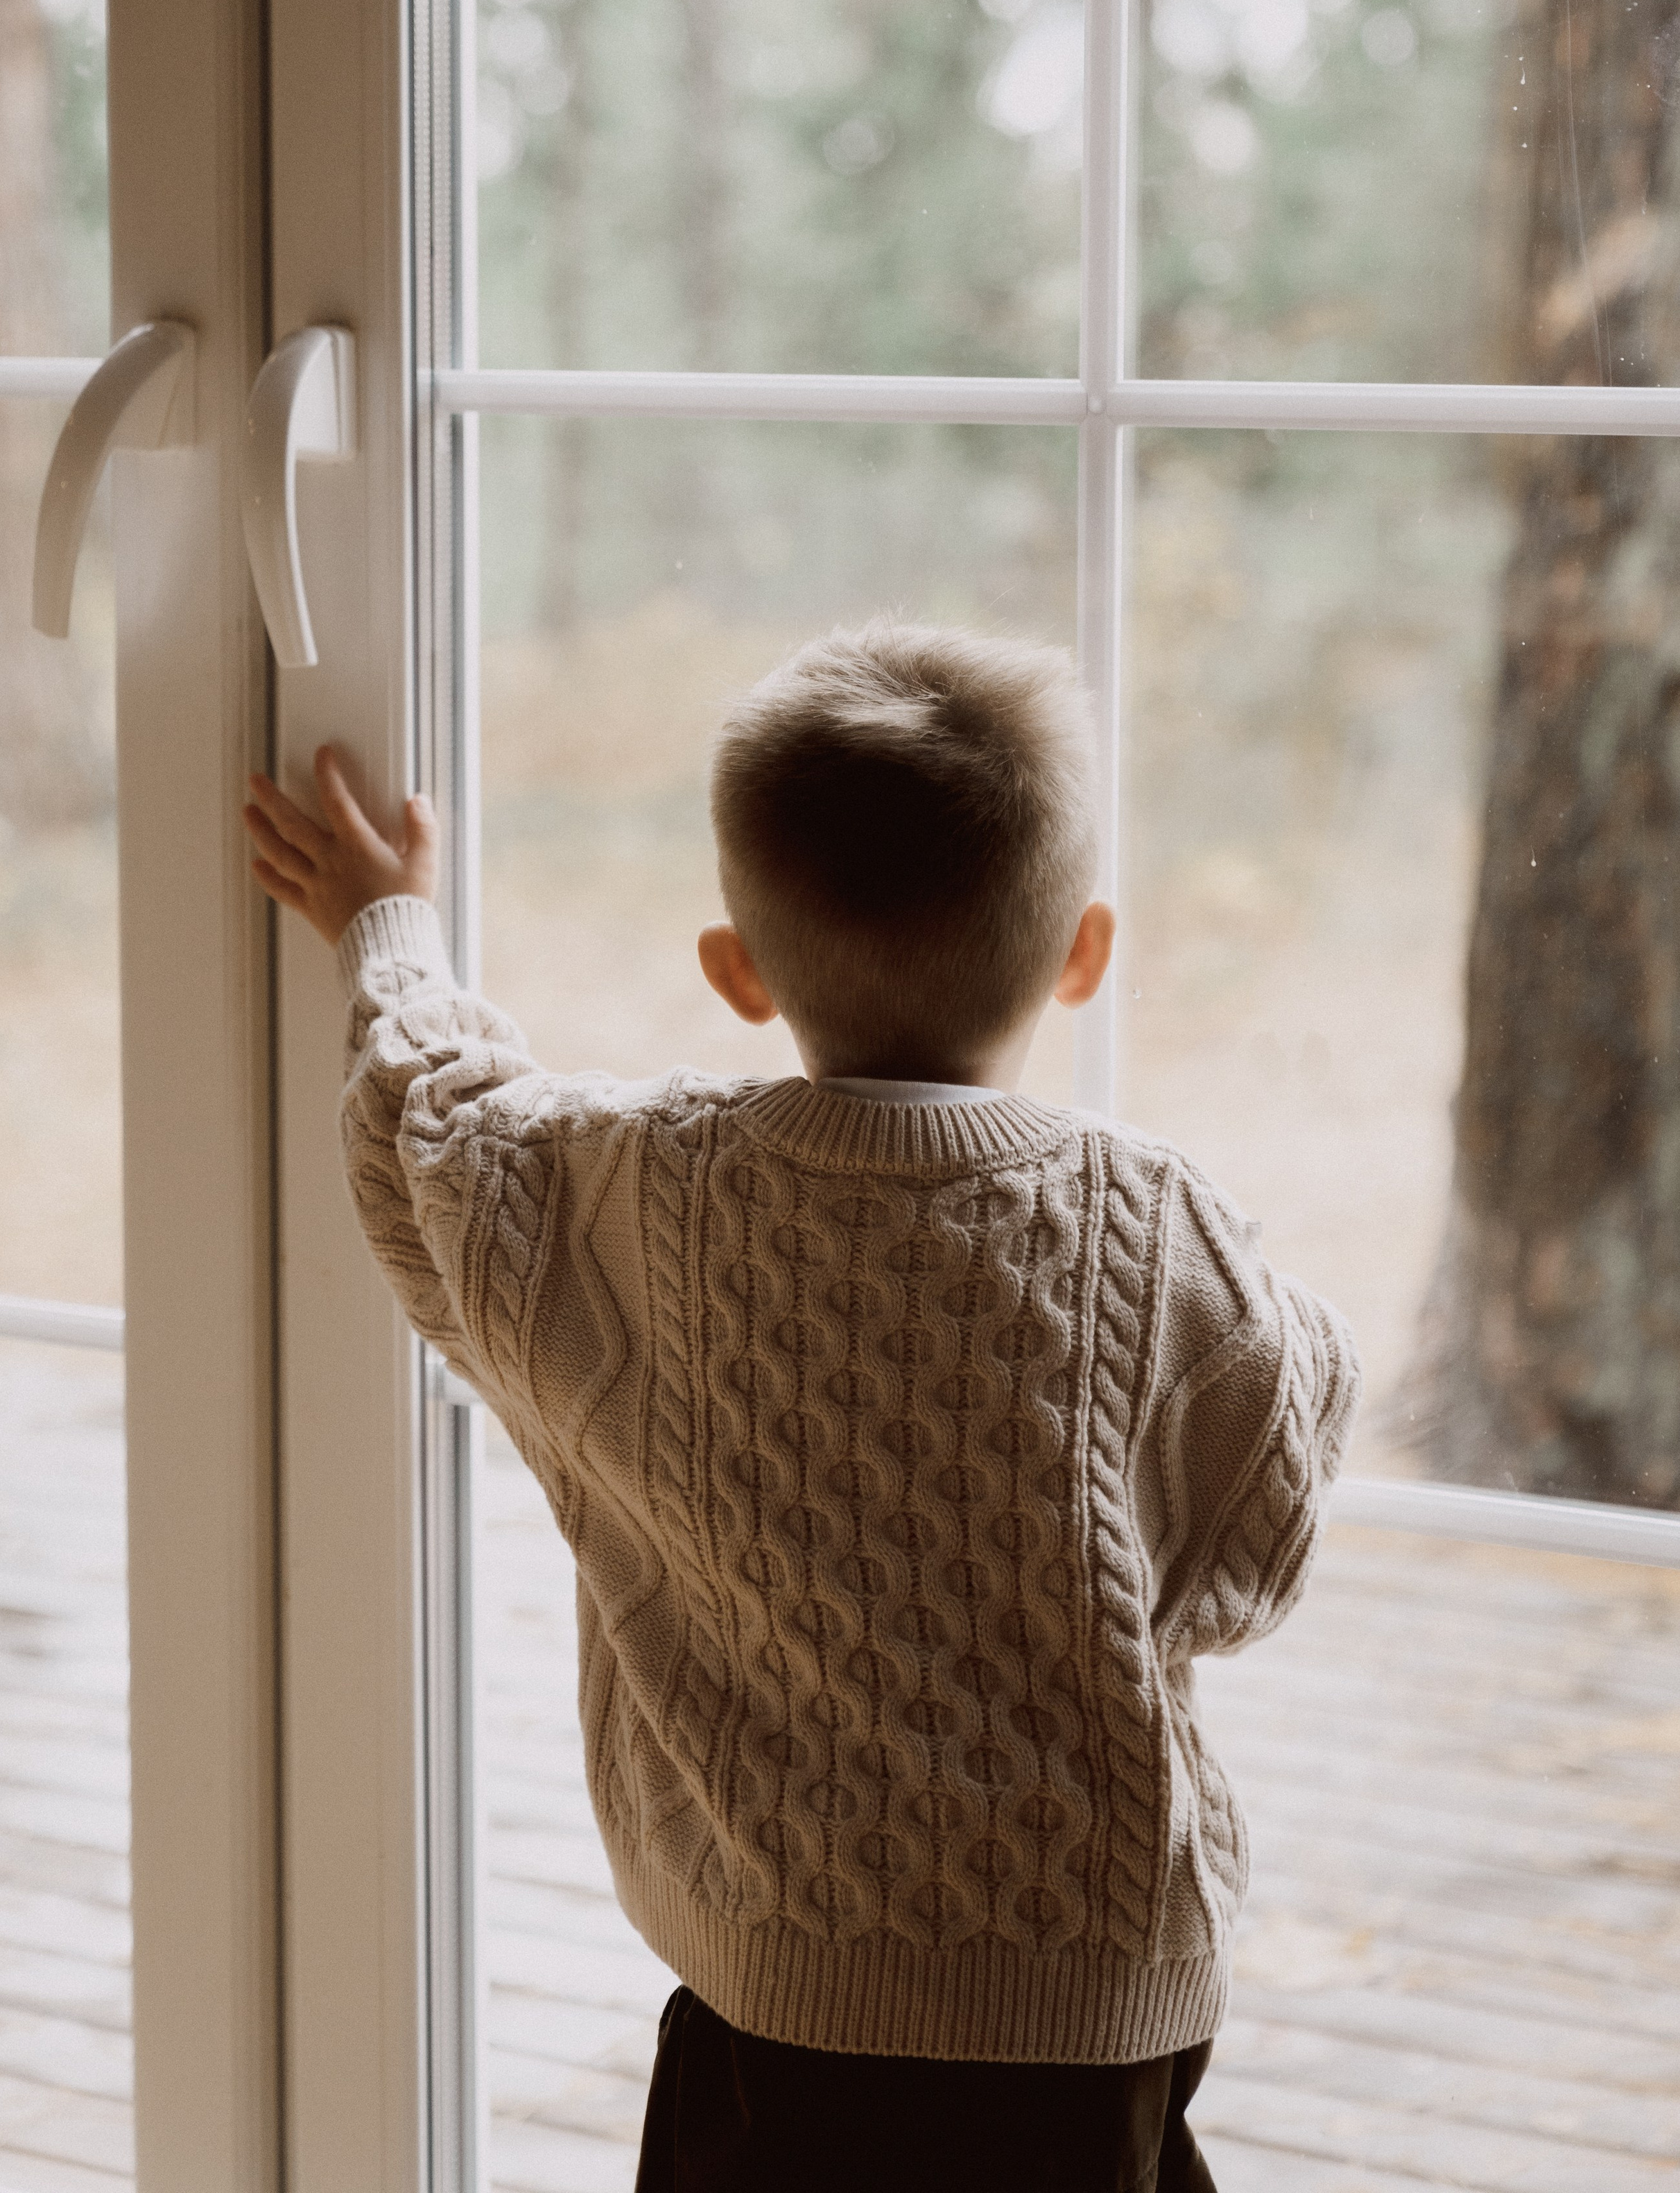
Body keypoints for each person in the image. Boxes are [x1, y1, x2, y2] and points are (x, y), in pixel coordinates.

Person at [243, 620, 1359, 2193]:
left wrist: (388, 930)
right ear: (1081, 950)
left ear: (737, 973)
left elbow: (437, 1130)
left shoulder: (641, 1198)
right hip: (1089, 2008)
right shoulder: (1156, 1219)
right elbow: (1256, 1546)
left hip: (778, 2008)